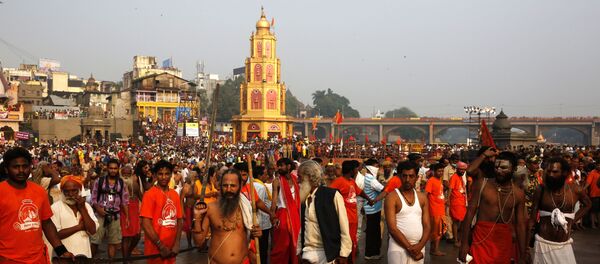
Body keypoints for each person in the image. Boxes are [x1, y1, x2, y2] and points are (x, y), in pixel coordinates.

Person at [0, 147, 74, 263]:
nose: (21, 171)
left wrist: (61, 250)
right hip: (8, 259)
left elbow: (47, 223)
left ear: (30, 167)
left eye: (25, 166)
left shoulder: (39, 191)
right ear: (6, 169)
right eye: (16, 167)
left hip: (38, 258)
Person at [459, 150, 528, 264]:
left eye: (504, 168)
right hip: (481, 239)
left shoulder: (518, 194)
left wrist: (522, 254)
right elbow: (469, 214)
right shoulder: (483, 184)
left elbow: (520, 225)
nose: (499, 171)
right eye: (496, 167)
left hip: (503, 242)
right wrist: (464, 244)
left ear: (514, 169)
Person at [529, 157, 591, 263]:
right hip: (542, 245)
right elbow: (532, 218)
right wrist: (525, 248)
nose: (551, 175)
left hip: (565, 246)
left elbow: (588, 204)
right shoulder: (541, 189)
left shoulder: (575, 189)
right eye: (548, 171)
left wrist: (573, 220)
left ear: (564, 173)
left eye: (555, 172)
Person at [193, 169, 262, 263]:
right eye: (225, 185)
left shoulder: (246, 208)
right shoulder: (211, 208)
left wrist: (257, 233)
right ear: (220, 187)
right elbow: (198, 243)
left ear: (240, 186)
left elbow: (253, 237)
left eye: (233, 186)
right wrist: (197, 217)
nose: (229, 189)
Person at [298, 160, 351, 264]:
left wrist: (344, 254)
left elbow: (344, 226)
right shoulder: (302, 199)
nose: (298, 181)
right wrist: (298, 250)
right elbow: (300, 228)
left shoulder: (332, 195)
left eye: (300, 177)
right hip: (307, 252)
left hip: (328, 253)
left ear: (309, 176)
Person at [385, 161, 431, 263]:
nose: (407, 180)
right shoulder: (392, 197)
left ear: (417, 177)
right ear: (399, 176)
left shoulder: (422, 198)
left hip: (419, 247)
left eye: (411, 176)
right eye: (404, 176)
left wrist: (420, 246)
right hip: (398, 248)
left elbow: (427, 225)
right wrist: (411, 248)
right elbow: (392, 229)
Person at [329, 160, 374, 263]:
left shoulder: (351, 181)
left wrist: (369, 199)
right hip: (344, 219)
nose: (357, 170)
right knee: (345, 242)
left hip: (353, 218)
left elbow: (360, 192)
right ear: (351, 170)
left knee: (352, 241)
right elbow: (329, 194)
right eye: (355, 168)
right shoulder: (339, 181)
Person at [140, 160, 183, 264]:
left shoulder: (175, 195)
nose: (164, 177)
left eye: (167, 174)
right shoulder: (149, 195)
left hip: (171, 249)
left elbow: (179, 220)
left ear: (171, 175)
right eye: (160, 174)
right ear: (155, 175)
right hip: (155, 250)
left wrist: (177, 243)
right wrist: (161, 246)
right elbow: (145, 223)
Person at [90, 158, 130, 259]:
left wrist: (127, 217)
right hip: (100, 215)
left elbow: (125, 201)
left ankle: (110, 261)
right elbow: (93, 198)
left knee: (113, 242)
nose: (113, 170)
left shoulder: (121, 183)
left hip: (115, 215)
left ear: (118, 169)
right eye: (111, 168)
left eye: (115, 168)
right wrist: (98, 209)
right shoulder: (99, 181)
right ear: (107, 169)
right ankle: (90, 261)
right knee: (95, 241)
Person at [50, 175, 98, 258]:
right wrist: (79, 227)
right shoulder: (55, 207)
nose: (70, 194)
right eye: (66, 191)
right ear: (62, 191)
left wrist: (82, 208)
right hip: (64, 256)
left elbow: (92, 230)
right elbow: (54, 235)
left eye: (74, 191)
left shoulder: (86, 206)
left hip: (85, 255)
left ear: (79, 190)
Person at [270, 158, 302, 264]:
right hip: (282, 216)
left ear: (288, 167)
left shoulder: (295, 179)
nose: (279, 168)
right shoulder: (277, 181)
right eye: (278, 165)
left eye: (281, 165)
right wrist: (273, 216)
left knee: (295, 244)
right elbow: (274, 201)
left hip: (295, 215)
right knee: (282, 246)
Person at [362, 158, 385, 259]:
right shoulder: (371, 179)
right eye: (376, 166)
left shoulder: (366, 177)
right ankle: (371, 253)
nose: (377, 168)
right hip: (373, 209)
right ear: (371, 167)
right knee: (373, 232)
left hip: (369, 208)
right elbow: (383, 189)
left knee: (371, 231)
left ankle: (371, 252)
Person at [120, 164, 143, 259]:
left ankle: (128, 253)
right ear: (121, 174)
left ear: (131, 174)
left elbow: (142, 197)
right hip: (123, 210)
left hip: (134, 210)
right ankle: (126, 259)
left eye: (128, 174)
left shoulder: (135, 184)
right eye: (124, 174)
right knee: (126, 237)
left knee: (137, 235)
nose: (126, 176)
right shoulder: (118, 184)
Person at [253, 165, 273, 264]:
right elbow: (258, 204)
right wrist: (271, 213)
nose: (267, 176)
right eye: (265, 174)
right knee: (262, 249)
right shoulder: (259, 186)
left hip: (261, 222)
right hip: (261, 223)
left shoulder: (255, 184)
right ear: (260, 176)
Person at [425, 163, 446, 256]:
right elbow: (426, 194)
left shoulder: (439, 180)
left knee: (438, 230)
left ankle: (434, 249)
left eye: (442, 171)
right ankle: (435, 250)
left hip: (440, 209)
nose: (440, 173)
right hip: (434, 209)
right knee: (437, 231)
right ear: (434, 171)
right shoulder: (431, 180)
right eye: (439, 171)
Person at [448, 161, 468, 248]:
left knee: (461, 222)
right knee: (456, 222)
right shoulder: (454, 177)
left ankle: (458, 239)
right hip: (456, 203)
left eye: (464, 170)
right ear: (457, 169)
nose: (463, 171)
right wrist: (448, 200)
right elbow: (450, 189)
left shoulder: (460, 177)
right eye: (461, 169)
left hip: (461, 202)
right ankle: (456, 240)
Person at [583, 161, 600, 228]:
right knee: (593, 210)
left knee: (599, 211)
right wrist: (583, 189)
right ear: (596, 165)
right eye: (598, 165)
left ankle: (599, 224)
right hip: (594, 195)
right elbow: (588, 182)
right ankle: (593, 224)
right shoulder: (592, 173)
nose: (599, 166)